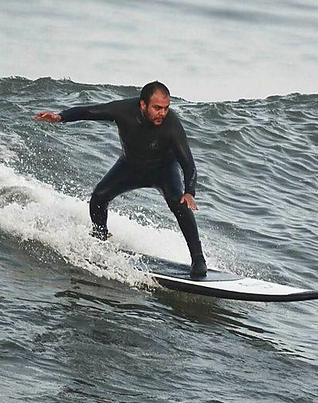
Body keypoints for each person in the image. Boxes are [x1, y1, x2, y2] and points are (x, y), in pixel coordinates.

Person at [34, 81, 208, 277]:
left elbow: (188, 164)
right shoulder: (124, 110)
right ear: (143, 105)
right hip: (130, 166)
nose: (163, 113)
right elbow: (91, 111)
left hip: (164, 170)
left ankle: (198, 259)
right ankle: (100, 240)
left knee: (180, 204)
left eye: (166, 108)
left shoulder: (172, 125)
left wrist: (189, 192)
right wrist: (60, 117)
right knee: (99, 197)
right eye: (157, 108)